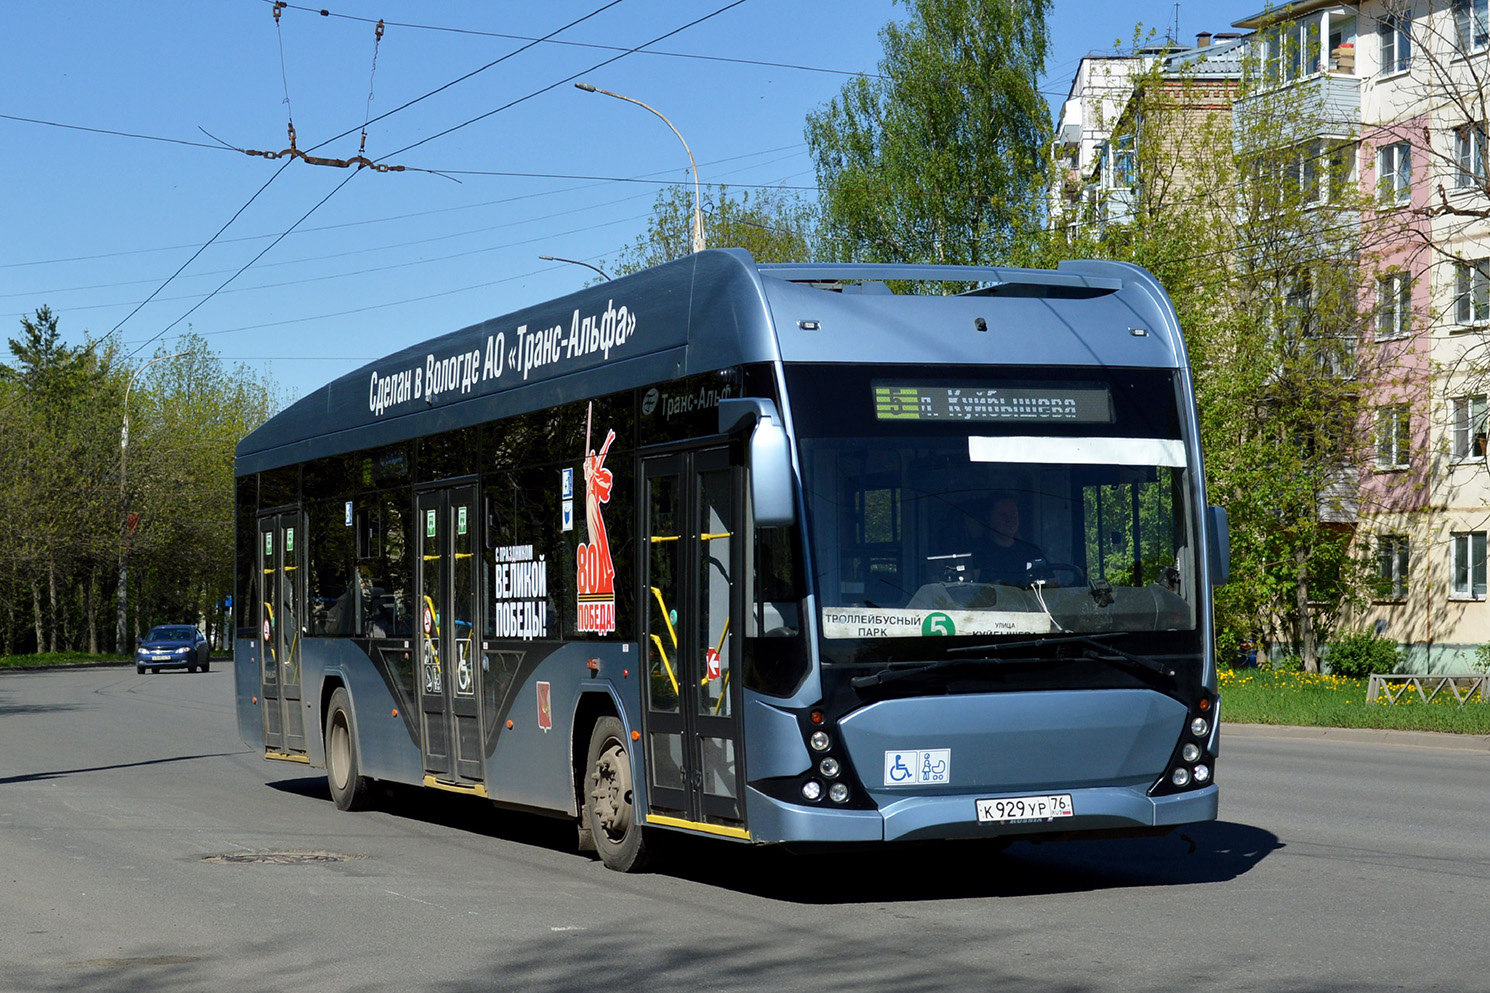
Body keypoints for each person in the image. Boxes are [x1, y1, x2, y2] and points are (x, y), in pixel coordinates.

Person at [979, 492, 1046, 585]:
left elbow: (1049, 586)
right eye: (1003, 515)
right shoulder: (977, 552)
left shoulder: (1032, 552)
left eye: (1014, 514)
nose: (1010, 519)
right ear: (988, 518)